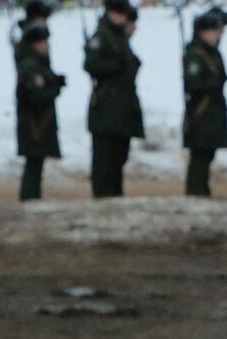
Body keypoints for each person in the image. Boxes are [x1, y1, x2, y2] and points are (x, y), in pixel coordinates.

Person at [84, 0, 143, 198]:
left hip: (123, 105)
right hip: (106, 104)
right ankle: (102, 194)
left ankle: (115, 193)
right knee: (104, 157)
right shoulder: (102, 36)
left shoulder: (120, 38)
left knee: (119, 155)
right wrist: (115, 66)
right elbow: (91, 65)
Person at [16, 23, 65, 201]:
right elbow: (36, 94)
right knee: (33, 164)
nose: (47, 45)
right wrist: (55, 88)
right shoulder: (31, 65)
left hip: (38, 121)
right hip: (34, 122)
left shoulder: (36, 63)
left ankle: (32, 196)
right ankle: (29, 197)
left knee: (36, 162)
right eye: (43, 42)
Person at [182, 12, 227, 197]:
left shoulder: (212, 53)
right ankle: (195, 191)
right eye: (215, 31)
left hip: (212, 112)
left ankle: (201, 189)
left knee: (207, 154)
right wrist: (215, 82)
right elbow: (193, 84)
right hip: (201, 112)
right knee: (199, 156)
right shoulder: (195, 54)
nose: (218, 35)